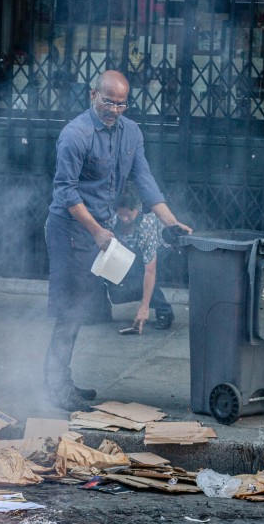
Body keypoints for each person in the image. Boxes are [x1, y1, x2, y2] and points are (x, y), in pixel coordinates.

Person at [45, 69, 191, 410]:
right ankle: (56, 386)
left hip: (100, 231)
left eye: (121, 103)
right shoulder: (74, 135)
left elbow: (144, 180)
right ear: (92, 95)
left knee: (83, 308)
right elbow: (65, 192)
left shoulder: (131, 133)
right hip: (69, 230)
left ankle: (61, 380)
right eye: (108, 101)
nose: (114, 109)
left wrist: (171, 221)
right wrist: (96, 230)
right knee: (69, 310)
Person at [106, 186, 175, 333]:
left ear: (137, 208)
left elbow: (150, 270)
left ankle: (164, 311)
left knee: (139, 276)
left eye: (129, 216)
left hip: (158, 252)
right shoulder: (112, 218)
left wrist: (144, 305)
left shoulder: (146, 223)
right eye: (121, 215)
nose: (124, 219)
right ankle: (100, 310)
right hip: (127, 252)